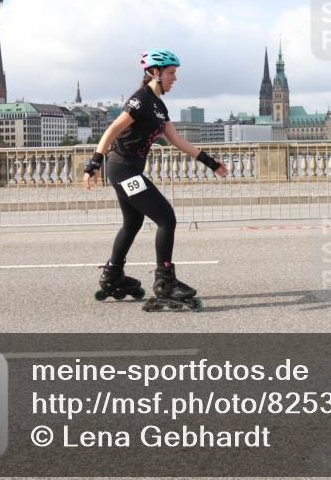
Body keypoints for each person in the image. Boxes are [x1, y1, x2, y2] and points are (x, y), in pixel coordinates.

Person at [84, 48, 226, 305]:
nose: (175, 78)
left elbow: (176, 139)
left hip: (128, 170)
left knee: (132, 223)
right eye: (171, 73)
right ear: (155, 72)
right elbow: (112, 129)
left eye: (175, 73)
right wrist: (94, 162)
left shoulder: (159, 106)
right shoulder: (140, 100)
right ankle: (165, 282)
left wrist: (209, 162)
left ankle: (113, 275)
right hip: (123, 169)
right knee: (166, 218)